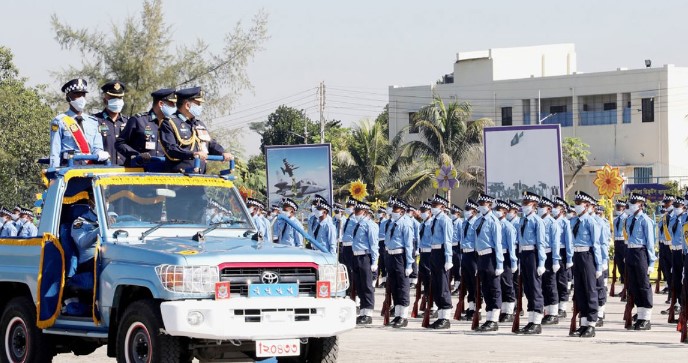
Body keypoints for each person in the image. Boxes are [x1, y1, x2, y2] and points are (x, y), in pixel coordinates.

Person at [158, 87, 232, 173]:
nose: (200, 107)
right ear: (187, 105)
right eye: (198, 104)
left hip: (199, 176)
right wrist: (193, 154)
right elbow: (170, 149)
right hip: (179, 177)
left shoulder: (199, 124)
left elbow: (210, 144)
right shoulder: (169, 123)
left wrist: (222, 152)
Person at [49, 78, 108, 168]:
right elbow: (55, 151)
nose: (81, 98)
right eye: (77, 94)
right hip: (68, 168)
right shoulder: (59, 121)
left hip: (90, 168)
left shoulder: (93, 122)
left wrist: (100, 153)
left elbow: (97, 147)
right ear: (68, 97)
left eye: (83, 95)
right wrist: (53, 174)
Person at [116, 88, 178, 170]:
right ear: (161, 104)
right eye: (172, 104)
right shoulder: (138, 120)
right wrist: (136, 154)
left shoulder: (173, 124)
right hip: (139, 171)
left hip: (164, 172)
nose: (175, 107)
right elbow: (120, 143)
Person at [569, 191, 602, 338]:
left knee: (590, 290)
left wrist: (599, 266)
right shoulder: (574, 221)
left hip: (587, 255)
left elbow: (596, 244)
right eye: (575, 203)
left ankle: (591, 324)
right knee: (580, 290)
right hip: (577, 255)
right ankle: (583, 323)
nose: (576, 206)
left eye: (579, 203)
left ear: (587, 205)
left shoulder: (591, 222)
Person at [514, 191, 547, 335]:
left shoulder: (537, 221)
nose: (524, 206)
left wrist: (541, 262)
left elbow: (541, 243)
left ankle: (537, 322)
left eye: (527, 203)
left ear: (534, 205)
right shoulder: (522, 220)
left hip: (533, 254)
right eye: (523, 203)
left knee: (535, 288)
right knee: (527, 288)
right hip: (524, 254)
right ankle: (531, 319)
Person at [624, 192, 656, 330]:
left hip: (641, 252)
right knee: (634, 285)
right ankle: (640, 314)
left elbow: (650, 243)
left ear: (641, 205)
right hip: (631, 251)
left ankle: (646, 318)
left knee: (643, 285)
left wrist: (651, 263)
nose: (631, 205)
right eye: (631, 202)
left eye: (634, 203)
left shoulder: (646, 220)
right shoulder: (630, 219)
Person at [472, 193, 504, 332]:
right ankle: (488, 316)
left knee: (493, 288)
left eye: (483, 204)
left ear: (489, 205)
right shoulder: (478, 221)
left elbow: (498, 244)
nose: (480, 206)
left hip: (491, 257)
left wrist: (499, 264)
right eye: (479, 204)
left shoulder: (493, 221)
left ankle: (494, 319)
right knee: (485, 288)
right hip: (481, 257)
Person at [384, 197, 414, 328]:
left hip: (400, 257)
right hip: (391, 256)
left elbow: (409, 245)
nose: (393, 211)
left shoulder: (405, 224)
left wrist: (409, 264)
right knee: (394, 286)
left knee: (402, 286)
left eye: (395, 209)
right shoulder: (391, 223)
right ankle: (397, 314)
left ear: (401, 211)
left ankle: (404, 316)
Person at [427, 194, 454, 329]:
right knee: (436, 285)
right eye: (432, 205)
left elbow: (448, 240)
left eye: (435, 206)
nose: (432, 208)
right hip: (434, 252)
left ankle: (446, 318)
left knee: (443, 285)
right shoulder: (434, 220)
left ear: (442, 207)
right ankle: (440, 315)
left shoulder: (445, 220)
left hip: (442, 252)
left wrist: (448, 259)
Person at [351, 200, 379, 325]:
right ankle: (362, 311)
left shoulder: (370, 225)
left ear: (365, 212)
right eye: (355, 211)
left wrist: (374, 261)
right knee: (359, 285)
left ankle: (368, 313)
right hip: (356, 256)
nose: (356, 213)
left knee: (367, 286)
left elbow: (374, 244)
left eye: (358, 211)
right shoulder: (357, 224)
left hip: (365, 257)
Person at [537, 197, 562, 325]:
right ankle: (547, 311)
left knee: (550, 285)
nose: (540, 209)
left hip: (549, 254)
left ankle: (553, 313)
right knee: (541, 286)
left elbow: (555, 243)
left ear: (548, 209)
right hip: (539, 255)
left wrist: (555, 260)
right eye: (539, 206)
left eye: (543, 206)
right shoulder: (537, 221)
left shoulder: (552, 223)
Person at [92, 81, 128, 165]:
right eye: (113, 98)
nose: (117, 101)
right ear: (105, 100)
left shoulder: (128, 122)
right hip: (103, 170)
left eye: (119, 98)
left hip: (125, 171)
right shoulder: (95, 121)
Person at [495, 199, 518, 323]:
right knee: (499, 285)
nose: (496, 212)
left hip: (506, 257)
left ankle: (509, 311)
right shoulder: (495, 224)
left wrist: (513, 263)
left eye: (498, 210)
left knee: (508, 284)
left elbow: (512, 247)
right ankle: (502, 310)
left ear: (504, 212)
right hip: (496, 256)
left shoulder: (508, 227)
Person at [552, 197, 574, 317]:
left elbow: (569, 241)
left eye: (556, 207)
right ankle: (554, 305)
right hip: (552, 252)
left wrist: (569, 258)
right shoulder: (551, 221)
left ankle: (562, 308)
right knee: (552, 280)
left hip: (562, 251)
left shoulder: (565, 222)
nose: (554, 209)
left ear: (562, 210)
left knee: (562, 280)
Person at [460, 199, 479, 321]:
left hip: (474, 255)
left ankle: (477, 309)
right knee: (467, 284)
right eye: (465, 209)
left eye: (468, 209)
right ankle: (470, 307)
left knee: (475, 283)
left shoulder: (477, 223)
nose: (465, 211)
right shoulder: (464, 223)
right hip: (465, 255)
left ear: (474, 211)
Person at [667, 196, 686, 319]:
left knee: (684, 278)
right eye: (674, 206)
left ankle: (683, 303)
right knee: (676, 278)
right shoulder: (673, 218)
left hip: (682, 251)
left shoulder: (684, 219)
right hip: (674, 251)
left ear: (683, 207)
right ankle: (678, 301)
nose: (675, 209)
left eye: (677, 207)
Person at [417, 200, 435, 319]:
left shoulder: (433, 224)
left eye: (424, 211)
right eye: (421, 211)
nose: (422, 213)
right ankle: (428, 304)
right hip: (423, 254)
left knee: (431, 281)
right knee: (425, 281)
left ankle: (433, 307)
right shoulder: (422, 224)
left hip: (431, 254)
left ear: (430, 212)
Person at [339, 198, 359, 299]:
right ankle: (347, 290)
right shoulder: (349, 218)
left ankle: (352, 291)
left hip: (351, 246)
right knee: (345, 269)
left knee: (351, 271)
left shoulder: (355, 219)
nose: (348, 209)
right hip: (345, 246)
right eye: (347, 206)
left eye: (350, 207)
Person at [657, 194, 675, 294]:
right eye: (665, 204)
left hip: (672, 247)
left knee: (674, 270)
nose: (666, 206)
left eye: (667, 203)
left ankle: (674, 294)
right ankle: (669, 289)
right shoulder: (665, 217)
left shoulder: (676, 217)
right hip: (664, 245)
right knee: (666, 268)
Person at [613, 199, 628, 301]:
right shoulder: (615, 219)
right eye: (616, 207)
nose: (617, 209)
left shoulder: (627, 219)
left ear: (623, 207)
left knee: (626, 267)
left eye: (619, 207)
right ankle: (623, 289)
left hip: (624, 243)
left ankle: (627, 289)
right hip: (617, 243)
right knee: (620, 267)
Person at [450, 204, 463, 295]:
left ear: (458, 214)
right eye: (451, 212)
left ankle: (458, 286)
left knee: (458, 267)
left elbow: (461, 236)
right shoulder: (450, 222)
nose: (452, 214)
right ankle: (453, 285)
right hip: (450, 247)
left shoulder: (459, 222)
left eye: (454, 212)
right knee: (452, 268)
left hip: (457, 247)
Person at [406, 206, 421, 288]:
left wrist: (417, 248)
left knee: (413, 260)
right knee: (408, 259)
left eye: (409, 211)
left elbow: (417, 236)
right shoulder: (405, 221)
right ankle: (409, 278)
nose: (408, 212)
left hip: (413, 242)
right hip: (407, 242)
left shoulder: (415, 223)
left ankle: (414, 279)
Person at [377, 207, 390, 288]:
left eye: (380, 212)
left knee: (385, 262)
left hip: (384, 242)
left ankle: (386, 281)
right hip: (379, 242)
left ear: (384, 214)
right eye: (378, 212)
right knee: (381, 262)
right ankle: (383, 279)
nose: (378, 213)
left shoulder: (386, 222)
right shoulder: (378, 222)